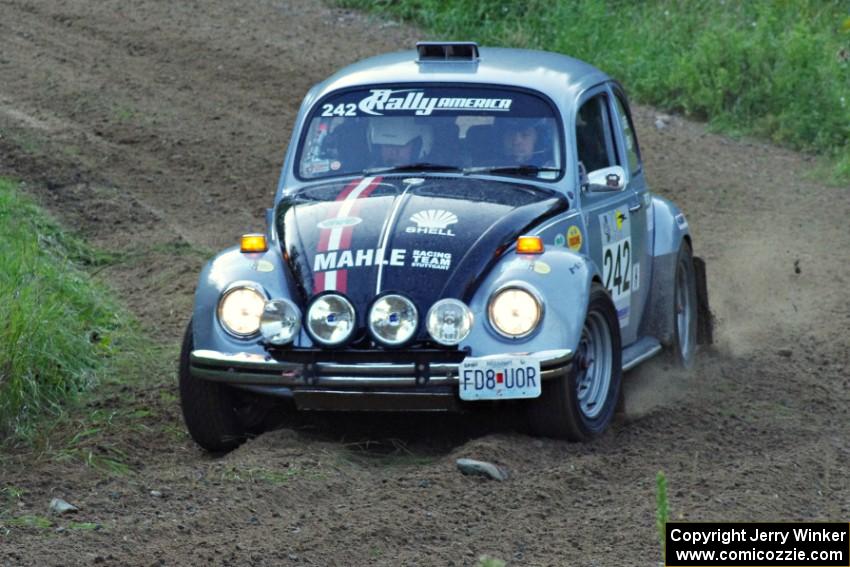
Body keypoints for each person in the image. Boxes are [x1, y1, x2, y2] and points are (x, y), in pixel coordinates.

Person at [368, 117, 432, 167]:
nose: (394, 152)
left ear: (417, 147)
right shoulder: (363, 180)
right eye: (388, 146)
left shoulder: (436, 178)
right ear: (377, 148)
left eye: (401, 146)